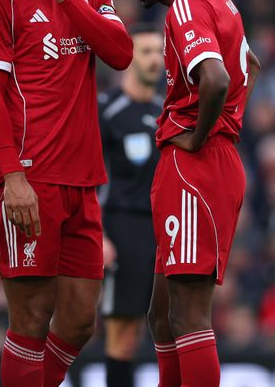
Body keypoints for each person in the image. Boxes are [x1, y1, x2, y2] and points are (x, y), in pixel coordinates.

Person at [0, 0, 133, 387]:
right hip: (27, 179)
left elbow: (120, 54)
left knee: (82, 320)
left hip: (82, 180)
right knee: (31, 319)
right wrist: (12, 177)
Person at [110, 0, 261, 387]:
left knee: (189, 317)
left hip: (197, 163)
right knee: (161, 314)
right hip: (203, 162)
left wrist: (201, 136)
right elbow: (250, 66)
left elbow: (215, 78)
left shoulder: (185, 5)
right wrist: (226, 125)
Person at [98, 23, 165, 387]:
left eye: (160, 52)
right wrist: (100, 235)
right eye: (146, 52)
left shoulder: (165, 110)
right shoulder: (106, 111)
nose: (155, 60)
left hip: (161, 231)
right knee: (121, 331)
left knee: (156, 332)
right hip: (121, 228)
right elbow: (91, 178)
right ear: (128, 58)